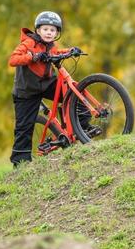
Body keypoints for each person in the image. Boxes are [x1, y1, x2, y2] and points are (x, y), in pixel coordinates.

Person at [8, 11, 82, 167]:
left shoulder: (50, 45)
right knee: (24, 127)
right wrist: (33, 57)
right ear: (38, 30)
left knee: (73, 94)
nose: (49, 32)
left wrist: (71, 51)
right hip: (26, 91)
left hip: (46, 84)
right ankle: (20, 163)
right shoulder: (29, 43)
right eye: (46, 29)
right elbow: (13, 59)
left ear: (57, 33)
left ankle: (81, 127)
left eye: (53, 30)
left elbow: (56, 52)